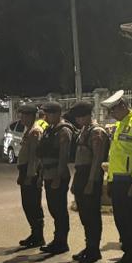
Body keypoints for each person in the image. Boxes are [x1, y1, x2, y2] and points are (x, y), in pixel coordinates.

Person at [103, 90, 132, 263]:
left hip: (129, 181)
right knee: (121, 221)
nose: (112, 114)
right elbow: (115, 156)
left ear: (122, 106)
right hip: (118, 180)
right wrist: (110, 180)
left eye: (113, 110)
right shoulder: (120, 124)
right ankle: (128, 255)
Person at [70, 102, 108, 263]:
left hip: (90, 175)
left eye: (79, 117)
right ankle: (89, 246)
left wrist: (91, 182)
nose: (77, 120)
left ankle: (94, 249)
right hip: (81, 174)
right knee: (84, 215)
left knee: (92, 215)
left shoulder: (96, 132)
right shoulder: (84, 130)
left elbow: (97, 160)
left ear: (86, 115)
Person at [37, 102, 75, 254]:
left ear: (57, 114)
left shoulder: (63, 130)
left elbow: (63, 156)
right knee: (53, 208)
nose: (46, 117)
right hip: (48, 174)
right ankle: (57, 239)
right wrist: (41, 175)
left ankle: (61, 241)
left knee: (59, 210)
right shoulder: (50, 129)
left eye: (49, 114)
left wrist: (58, 177)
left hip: (57, 174)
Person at [13, 104, 47, 248]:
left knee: (32, 204)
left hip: (31, 172)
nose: (21, 119)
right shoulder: (29, 130)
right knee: (27, 204)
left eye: (23, 116)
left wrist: (30, 175)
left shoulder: (35, 132)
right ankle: (35, 234)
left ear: (31, 116)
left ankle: (38, 235)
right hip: (25, 171)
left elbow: (35, 157)